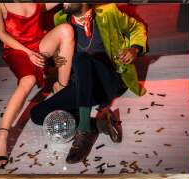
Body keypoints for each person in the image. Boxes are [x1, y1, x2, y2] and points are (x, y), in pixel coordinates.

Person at [30, 3, 147, 164]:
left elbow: (137, 27)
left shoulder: (108, 12)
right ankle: (97, 124)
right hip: (82, 86)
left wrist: (134, 49)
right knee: (37, 115)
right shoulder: (61, 19)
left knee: (81, 58)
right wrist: (52, 60)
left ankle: (84, 131)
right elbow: (56, 51)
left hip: (108, 81)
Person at [0, 3, 75, 168]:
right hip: (17, 49)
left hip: (39, 45)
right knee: (28, 80)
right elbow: (1, 33)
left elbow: (48, 5)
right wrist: (29, 54)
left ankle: (61, 87)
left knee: (66, 30)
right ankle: (0, 134)